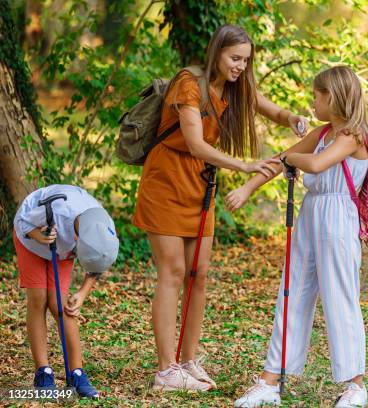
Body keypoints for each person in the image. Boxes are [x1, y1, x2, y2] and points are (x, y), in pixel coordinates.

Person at [132, 24, 308, 392]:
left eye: (246, 60)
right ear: (217, 53)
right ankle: (166, 370)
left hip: (200, 185)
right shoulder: (189, 84)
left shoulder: (235, 86)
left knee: (199, 273)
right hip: (166, 180)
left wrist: (291, 118)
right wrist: (243, 165)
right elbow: (194, 143)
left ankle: (188, 360)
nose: (241, 66)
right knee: (174, 272)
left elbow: (270, 109)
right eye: (234, 58)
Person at [227, 66, 368, 407]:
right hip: (311, 214)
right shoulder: (322, 134)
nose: (312, 101)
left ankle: (355, 386)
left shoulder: (352, 136)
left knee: (340, 298)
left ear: (332, 97)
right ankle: (270, 381)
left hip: (338, 218)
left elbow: (317, 165)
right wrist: (248, 187)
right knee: (292, 294)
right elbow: (282, 161)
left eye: (316, 95)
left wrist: (292, 157)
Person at [13, 184, 119, 398]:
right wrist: (38, 235)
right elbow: (24, 221)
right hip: (31, 239)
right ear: (78, 240)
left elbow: (97, 263)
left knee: (61, 305)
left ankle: (77, 372)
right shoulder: (58, 209)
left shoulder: (102, 226)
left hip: (60, 251)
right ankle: (43, 372)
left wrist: (82, 293)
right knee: (38, 299)